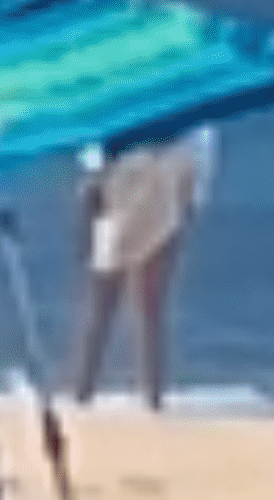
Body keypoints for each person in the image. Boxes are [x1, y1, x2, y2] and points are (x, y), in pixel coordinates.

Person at [68, 124, 215, 410]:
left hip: (148, 181)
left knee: (124, 307)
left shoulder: (191, 124)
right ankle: (109, 396)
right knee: (125, 307)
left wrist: (88, 197)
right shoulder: (190, 121)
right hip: (135, 183)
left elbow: (93, 159)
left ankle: (102, 396)